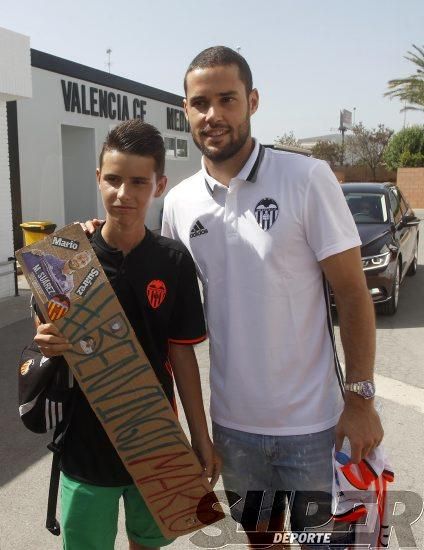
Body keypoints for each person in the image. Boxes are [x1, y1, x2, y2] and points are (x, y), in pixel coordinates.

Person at [160, 46, 384, 547]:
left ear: (252, 101)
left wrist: (361, 399)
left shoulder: (306, 178)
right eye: (200, 103)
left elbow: (352, 293)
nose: (213, 115)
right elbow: (167, 313)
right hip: (233, 428)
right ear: (186, 111)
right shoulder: (178, 204)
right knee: (262, 542)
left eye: (227, 99)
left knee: (326, 544)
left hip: (315, 426)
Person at [32, 120, 220, 550]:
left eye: (139, 181)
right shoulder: (68, 257)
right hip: (84, 445)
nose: (123, 194)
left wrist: (200, 435)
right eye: (113, 179)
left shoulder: (174, 261)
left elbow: (183, 357)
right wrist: (45, 340)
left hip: (155, 440)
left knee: (148, 545)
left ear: (159, 184)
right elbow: (45, 331)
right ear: (99, 178)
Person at [21, 249, 91, 297]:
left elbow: (55, 302)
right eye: (79, 257)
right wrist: (32, 253)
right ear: (75, 255)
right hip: (28, 293)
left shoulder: (69, 286)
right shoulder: (50, 259)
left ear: (83, 267)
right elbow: (26, 263)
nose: (78, 261)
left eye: (83, 262)